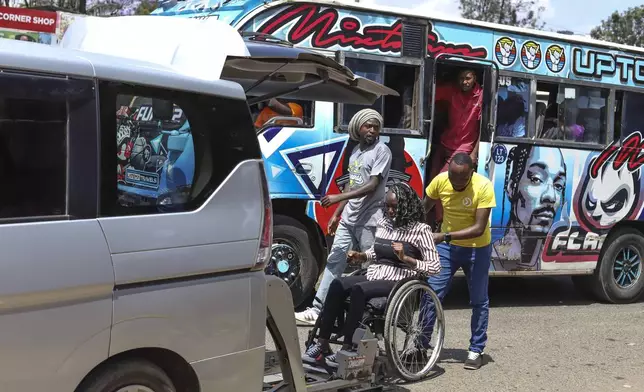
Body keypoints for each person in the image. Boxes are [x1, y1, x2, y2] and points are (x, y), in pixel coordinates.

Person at [303, 183, 441, 364]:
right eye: (388, 206)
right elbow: (377, 252)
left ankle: (348, 348)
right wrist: (360, 255)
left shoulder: (421, 230)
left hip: (399, 280)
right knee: (338, 284)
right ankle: (322, 343)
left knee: (359, 290)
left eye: (395, 207)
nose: (390, 211)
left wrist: (406, 258)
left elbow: (435, 267)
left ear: (406, 205)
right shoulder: (384, 223)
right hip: (376, 273)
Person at [295, 109, 392, 325]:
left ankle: (369, 314)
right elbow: (354, 181)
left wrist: (339, 195)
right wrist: (337, 212)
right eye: (368, 126)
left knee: (370, 265)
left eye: (376, 127)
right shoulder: (356, 151)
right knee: (335, 260)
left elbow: (372, 184)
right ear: (359, 127)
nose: (372, 130)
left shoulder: (382, 151)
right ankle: (318, 308)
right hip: (349, 218)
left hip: (370, 219)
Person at [421, 153, 495, 370]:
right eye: (452, 177)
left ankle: (476, 350)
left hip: (477, 248)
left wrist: (444, 236)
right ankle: (420, 345)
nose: (455, 183)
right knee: (431, 295)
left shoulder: (483, 186)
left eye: (461, 179)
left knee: (479, 300)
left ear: (471, 173)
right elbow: (423, 207)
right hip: (447, 248)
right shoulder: (441, 180)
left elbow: (479, 228)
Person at [491, 145, 566, 271]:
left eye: (558, 185)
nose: (551, 196)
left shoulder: (545, 262)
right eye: (536, 179)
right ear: (512, 188)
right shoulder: (489, 260)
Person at [428, 68, 483, 228]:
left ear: (475, 78)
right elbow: (429, 90)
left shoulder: (481, 96)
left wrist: (474, 152)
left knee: (441, 181)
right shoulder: (452, 91)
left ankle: (442, 223)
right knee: (431, 181)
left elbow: (483, 130)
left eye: (468, 78)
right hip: (446, 142)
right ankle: (432, 220)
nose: (464, 82)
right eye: (461, 79)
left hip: (464, 148)